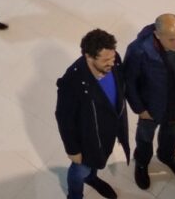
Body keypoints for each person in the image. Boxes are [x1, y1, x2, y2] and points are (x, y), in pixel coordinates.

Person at [124, 14, 175, 190]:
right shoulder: (139, 50)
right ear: (157, 35)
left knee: (172, 134)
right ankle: (142, 162)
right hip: (151, 106)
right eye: (172, 39)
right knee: (145, 137)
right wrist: (140, 108)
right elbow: (129, 81)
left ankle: (167, 157)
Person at [55, 29, 130, 199]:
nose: (112, 62)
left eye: (112, 57)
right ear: (89, 57)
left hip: (107, 129)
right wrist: (73, 149)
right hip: (87, 136)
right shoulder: (72, 82)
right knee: (79, 170)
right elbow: (64, 119)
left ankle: (92, 178)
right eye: (105, 60)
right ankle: (75, 196)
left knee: (99, 157)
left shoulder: (114, 60)